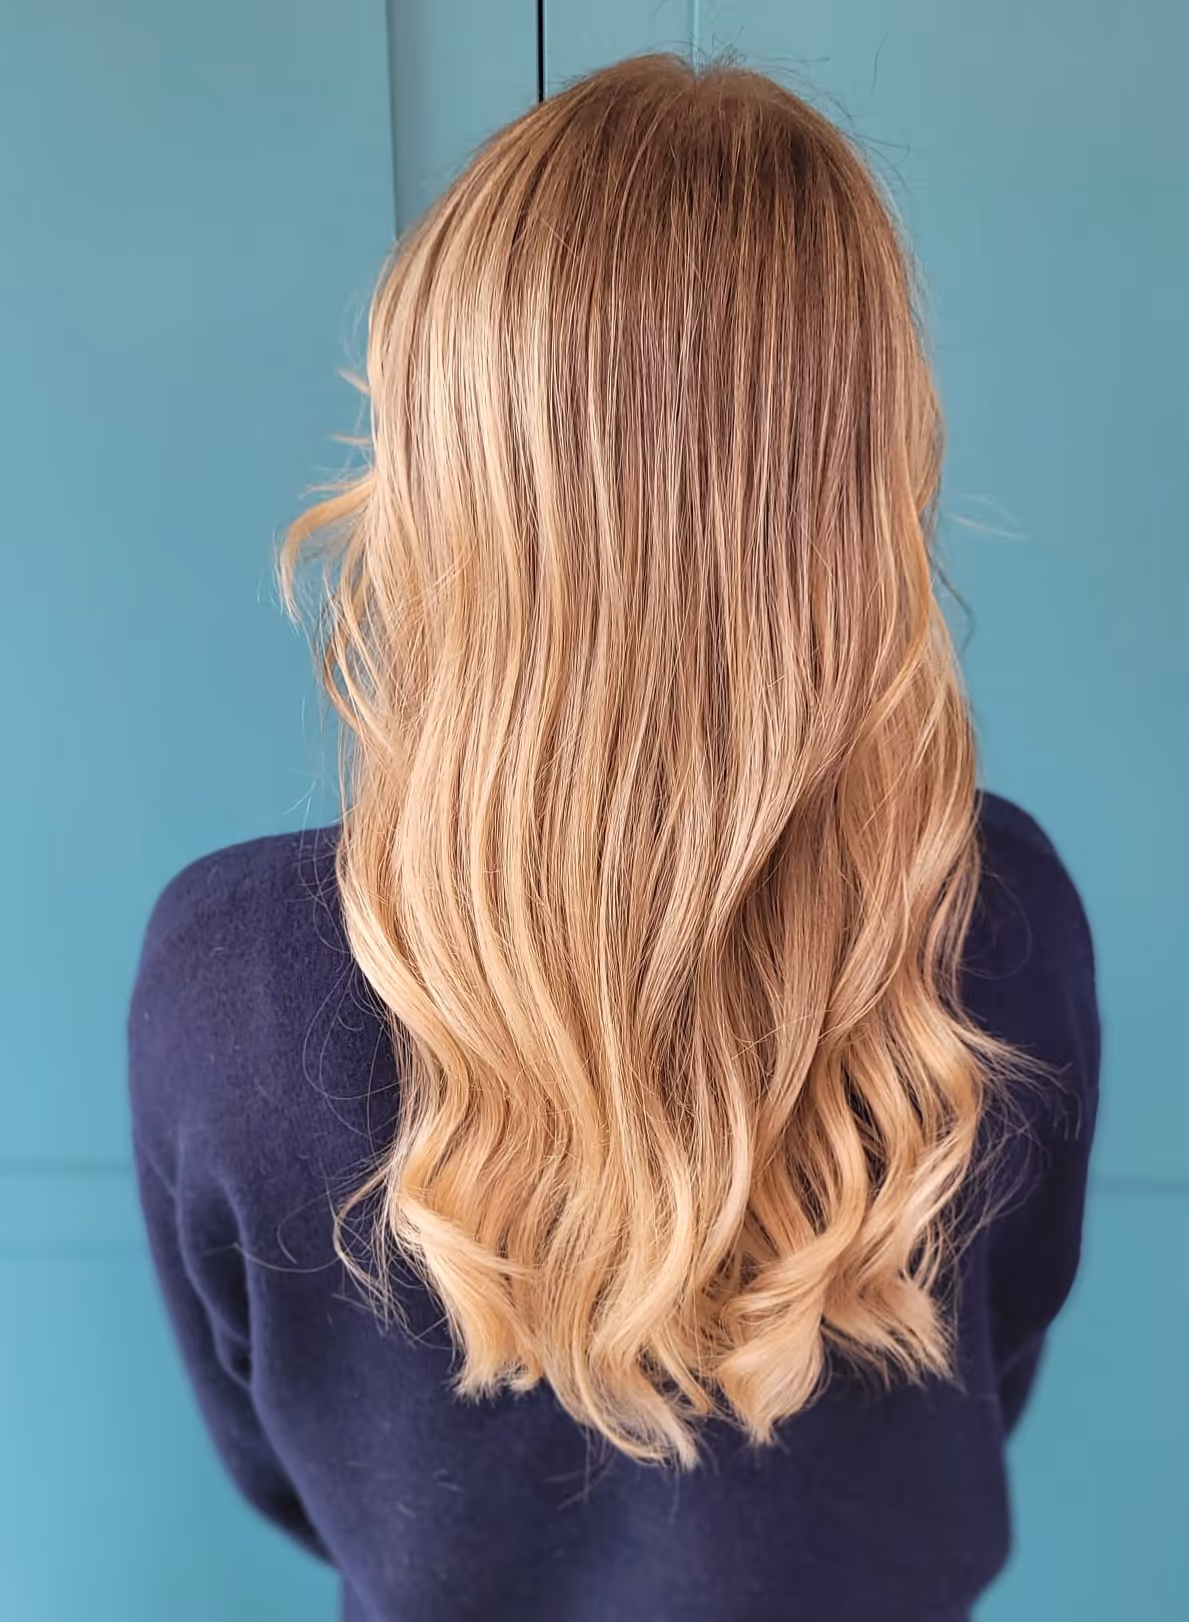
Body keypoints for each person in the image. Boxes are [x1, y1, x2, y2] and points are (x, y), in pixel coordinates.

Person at [127, 52, 1101, 1622]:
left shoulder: (230, 981)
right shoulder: (1002, 918)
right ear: (860, 487)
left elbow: (271, 1454)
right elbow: (1004, 1348)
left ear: (443, 473)